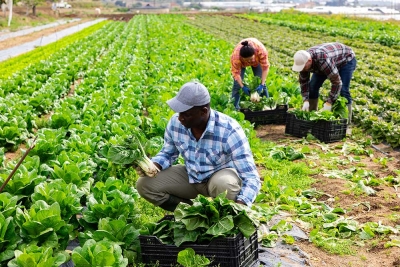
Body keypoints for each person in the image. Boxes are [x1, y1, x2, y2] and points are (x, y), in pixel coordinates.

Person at [136, 81, 261, 212]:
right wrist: (154, 165)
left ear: (203, 111)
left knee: (227, 185)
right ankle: (192, 213)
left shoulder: (229, 130)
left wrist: (241, 203)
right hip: (191, 177)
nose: (180, 118)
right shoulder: (176, 123)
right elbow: (168, 153)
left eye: (186, 114)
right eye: (179, 113)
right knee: (144, 184)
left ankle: (226, 217)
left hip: (218, 179)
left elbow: (251, 177)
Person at [292, 42, 357, 123]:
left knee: (343, 90)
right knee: (313, 87)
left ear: (309, 61)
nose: (303, 69)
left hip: (346, 59)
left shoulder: (322, 59)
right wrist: (305, 100)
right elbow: (304, 82)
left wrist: (329, 103)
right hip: (328, 61)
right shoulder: (303, 61)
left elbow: (337, 83)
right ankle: (312, 115)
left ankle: (346, 122)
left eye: (304, 67)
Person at [230, 38, 270, 110]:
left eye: (251, 59)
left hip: (257, 61)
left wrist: (262, 84)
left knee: (261, 83)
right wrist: (242, 87)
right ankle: (234, 108)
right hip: (241, 64)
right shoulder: (236, 57)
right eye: (247, 60)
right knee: (236, 86)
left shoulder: (261, 51)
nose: (249, 61)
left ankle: (267, 106)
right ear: (242, 58)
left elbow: (265, 68)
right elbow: (236, 73)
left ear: (254, 54)